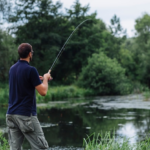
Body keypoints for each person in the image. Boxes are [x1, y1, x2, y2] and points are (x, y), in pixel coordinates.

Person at [6, 43, 52, 150]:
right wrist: (45, 78)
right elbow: (43, 92)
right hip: (25, 115)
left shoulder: (12, 69)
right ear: (30, 54)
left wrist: (36, 79)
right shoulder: (31, 70)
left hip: (11, 114)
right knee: (41, 147)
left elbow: (23, 82)